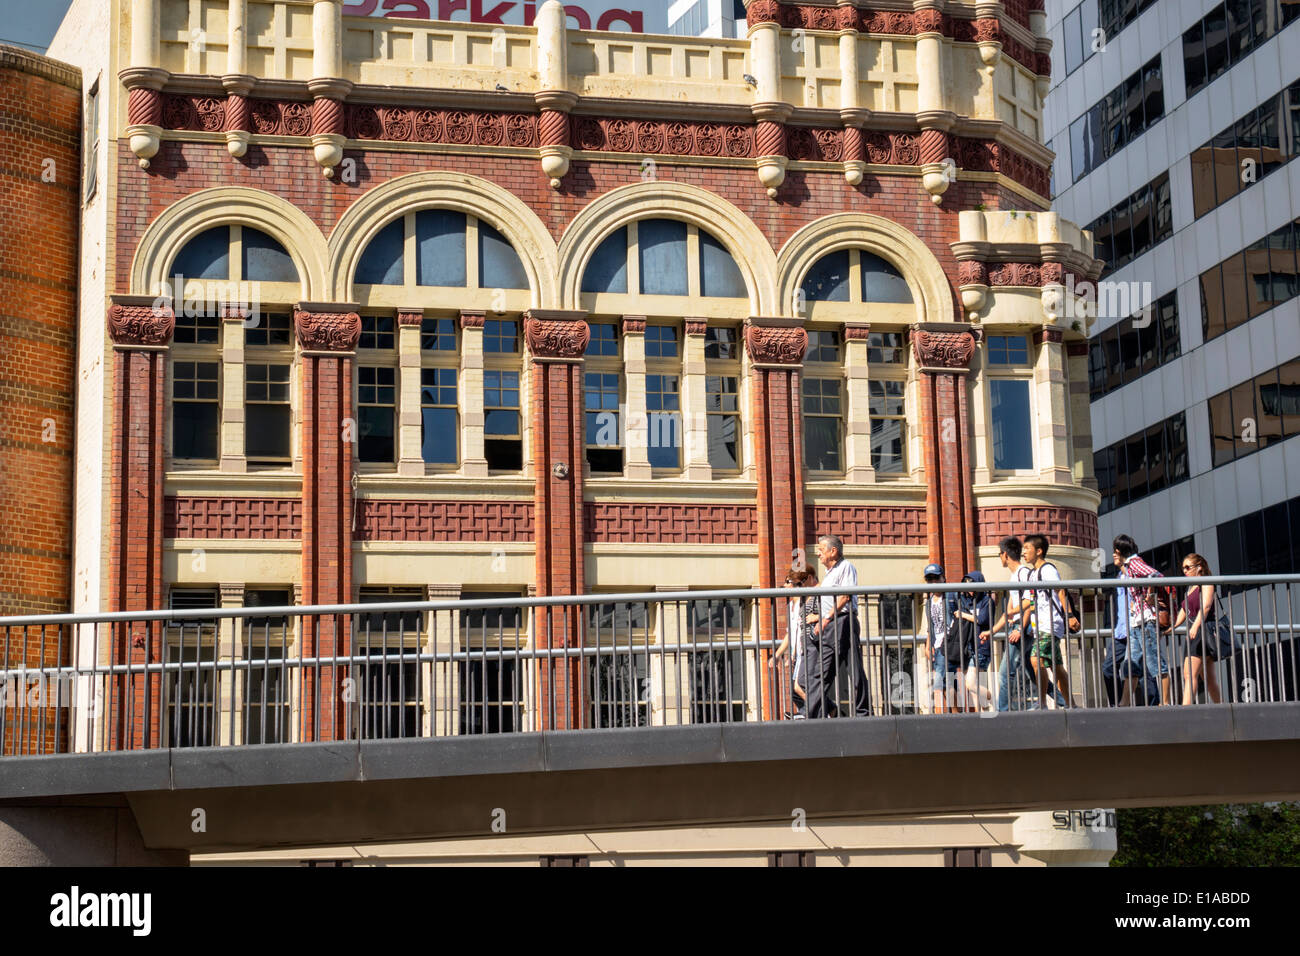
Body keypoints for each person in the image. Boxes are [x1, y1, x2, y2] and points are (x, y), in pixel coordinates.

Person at [984, 537, 1064, 711]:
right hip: (1021, 626)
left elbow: (1030, 602)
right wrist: (991, 631)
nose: (1000, 558)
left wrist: (1020, 628)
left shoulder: (1023, 574)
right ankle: (1064, 702)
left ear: (1005, 554)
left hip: (1024, 628)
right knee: (1033, 671)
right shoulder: (1015, 577)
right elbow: (1008, 613)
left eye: (1000, 554)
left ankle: (1003, 712)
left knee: (1006, 673)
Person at [805, 534, 871, 718]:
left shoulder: (846, 567)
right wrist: (822, 619)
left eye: (821, 549)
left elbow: (845, 597)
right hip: (830, 624)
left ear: (833, 551)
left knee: (854, 668)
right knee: (821, 672)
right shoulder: (829, 574)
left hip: (843, 621)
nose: (818, 554)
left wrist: (825, 619)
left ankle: (863, 713)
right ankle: (812, 714)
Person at [1113, 534, 1171, 705]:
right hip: (1137, 621)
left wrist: (1149, 594)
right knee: (1131, 664)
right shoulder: (1129, 565)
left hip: (1146, 619)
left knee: (1154, 661)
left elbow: (1156, 575)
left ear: (1119, 550)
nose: (1114, 554)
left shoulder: (1134, 563)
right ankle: (1124, 702)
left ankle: (1165, 702)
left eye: (1115, 551)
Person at [1023, 534, 1073, 710]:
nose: (1024, 553)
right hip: (1040, 626)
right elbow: (1030, 601)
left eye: (1027, 549)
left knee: (1036, 660)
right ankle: (1071, 704)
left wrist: (1070, 615)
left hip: (1051, 624)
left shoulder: (1048, 570)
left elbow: (1060, 591)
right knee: (1056, 666)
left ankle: (1042, 703)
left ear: (1039, 551)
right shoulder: (1031, 574)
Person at [1172, 553, 1223, 705]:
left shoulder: (1206, 582)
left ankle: (1185, 711)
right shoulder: (1191, 587)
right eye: (1183, 569)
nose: (1185, 571)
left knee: (1189, 674)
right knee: (1208, 678)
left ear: (1199, 567)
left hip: (1202, 631)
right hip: (1197, 631)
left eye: (1188, 567)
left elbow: (1206, 605)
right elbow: (1183, 610)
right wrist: (1171, 627)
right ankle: (1222, 708)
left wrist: (1194, 626)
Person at [772, 564, 818, 718]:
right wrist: (781, 654)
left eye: (788, 582)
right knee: (795, 690)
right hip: (798, 651)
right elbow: (791, 633)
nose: (785, 585)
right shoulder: (791, 605)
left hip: (807, 649)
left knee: (799, 687)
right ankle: (811, 713)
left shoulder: (808, 601)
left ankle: (821, 712)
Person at [921, 563, 960, 713]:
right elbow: (931, 627)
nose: (933, 582)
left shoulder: (951, 595)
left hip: (949, 645)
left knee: (939, 683)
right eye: (929, 579)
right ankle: (957, 715)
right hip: (936, 647)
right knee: (947, 684)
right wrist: (927, 644)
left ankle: (939, 718)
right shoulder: (929, 602)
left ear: (943, 578)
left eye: (936, 578)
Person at [953, 571, 994, 712]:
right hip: (968, 647)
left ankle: (989, 696)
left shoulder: (987, 601)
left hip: (982, 646)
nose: (969, 590)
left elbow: (982, 620)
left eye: (972, 586)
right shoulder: (966, 602)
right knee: (975, 685)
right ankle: (982, 714)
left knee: (970, 684)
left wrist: (963, 615)